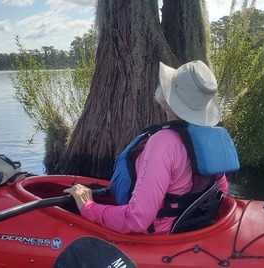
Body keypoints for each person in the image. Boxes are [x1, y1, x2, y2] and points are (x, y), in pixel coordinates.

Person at [64, 60, 230, 234]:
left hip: (162, 234)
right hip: (192, 225)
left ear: (165, 102)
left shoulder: (163, 143)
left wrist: (88, 206)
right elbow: (221, 191)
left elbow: (137, 219)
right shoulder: (212, 139)